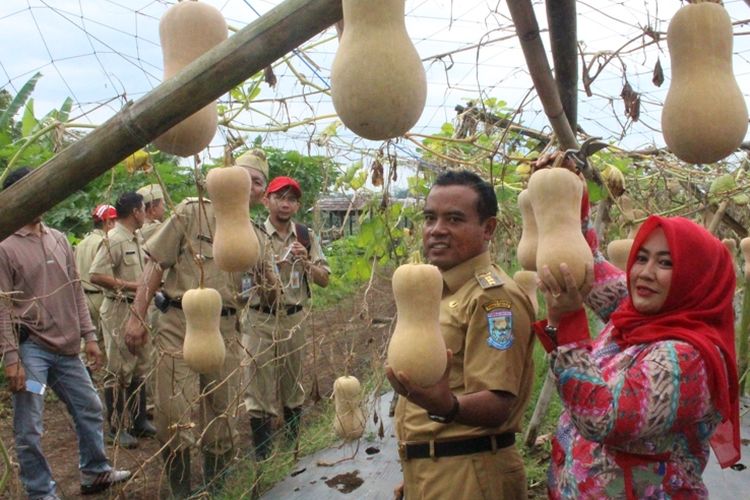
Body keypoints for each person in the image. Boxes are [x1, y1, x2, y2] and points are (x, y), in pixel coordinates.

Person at [534, 214, 740, 499]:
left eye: (666, 262)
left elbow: (604, 419)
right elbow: (588, 267)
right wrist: (574, 204)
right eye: (641, 258)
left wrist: (568, 326)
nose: (645, 272)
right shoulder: (637, 316)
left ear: (695, 275)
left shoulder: (691, 359)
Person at [123, 149, 274, 497]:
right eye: (243, 178)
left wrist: (271, 279)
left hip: (227, 328)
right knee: (172, 416)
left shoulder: (256, 235)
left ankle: (214, 489)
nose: (247, 186)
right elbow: (155, 266)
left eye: (256, 182)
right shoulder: (192, 212)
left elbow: (268, 293)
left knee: (223, 420)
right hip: (180, 321)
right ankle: (179, 491)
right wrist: (136, 316)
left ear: (260, 193)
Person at [386, 169, 535, 500]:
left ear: (488, 228)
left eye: (454, 219)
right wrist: (417, 470)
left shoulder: (494, 299)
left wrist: (447, 405)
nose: (437, 230)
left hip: (471, 474)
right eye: (430, 218)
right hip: (437, 470)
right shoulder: (433, 292)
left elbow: (499, 403)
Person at [0, 167, 131, 499]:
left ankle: (95, 471)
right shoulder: (4, 246)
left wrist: (89, 336)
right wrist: (11, 358)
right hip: (32, 351)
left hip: (68, 349)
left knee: (90, 406)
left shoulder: (57, 238)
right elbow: (1, 307)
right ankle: (40, 491)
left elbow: (76, 291)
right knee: (30, 426)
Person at [243, 175, 330, 460]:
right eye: (279, 197)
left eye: (291, 199)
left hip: (294, 320)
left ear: (297, 205)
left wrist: (306, 261)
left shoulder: (305, 236)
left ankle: (292, 450)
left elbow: (324, 280)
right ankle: (262, 458)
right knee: (258, 386)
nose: (285, 204)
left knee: (292, 385)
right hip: (260, 319)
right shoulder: (252, 234)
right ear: (266, 200)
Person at [89, 191, 156, 449]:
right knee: (118, 369)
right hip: (119, 309)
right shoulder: (114, 240)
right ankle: (116, 428)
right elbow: (96, 274)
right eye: (143, 209)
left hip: (138, 309)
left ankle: (139, 422)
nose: (145, 213)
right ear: (136, 212)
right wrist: (132, 285)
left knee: (140, 366)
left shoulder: (136, 238)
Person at [75, 204, 117, 361]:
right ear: (109, 223)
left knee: (86, 341)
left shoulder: (82, 243)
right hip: (100, 297)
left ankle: (87, 372)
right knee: (103, 342)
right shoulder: (104, 242)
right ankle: (100, 377)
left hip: (82, 297)